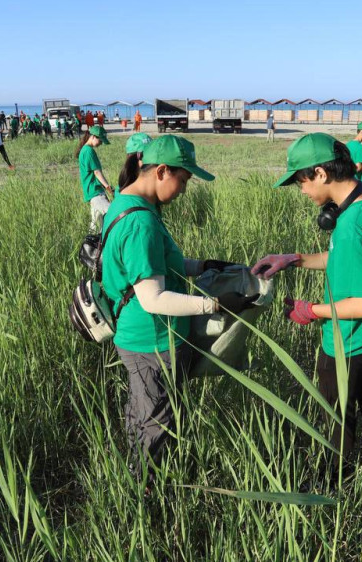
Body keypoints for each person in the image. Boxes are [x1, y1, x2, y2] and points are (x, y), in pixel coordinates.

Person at [101, 134, 247, 476]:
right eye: (183, 180)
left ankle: (137, 474)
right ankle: (146, 491)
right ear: (162, 171)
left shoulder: (127, 204)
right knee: (159, 423)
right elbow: (153, 298)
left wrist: (201, 267)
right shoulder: (141, 223)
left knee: (143, 408)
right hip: (152, 341)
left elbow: (155, 267)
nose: (183, 190)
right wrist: (214, 305)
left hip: (139, 338)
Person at [252, 132, 362, 464]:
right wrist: (293, 259)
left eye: (301, 181)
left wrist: (311, 310)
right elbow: (345, 259)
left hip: (346, 340)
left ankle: (337, 477)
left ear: (321, 173)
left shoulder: (351, 226)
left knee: (336, 415)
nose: (302, 190)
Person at [77, 125, 114, 230]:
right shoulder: (88, 151)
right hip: (95, 192)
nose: (101, 143)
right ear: (93, 136)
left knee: (96, 226)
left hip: (92, 192)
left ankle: (94, 245)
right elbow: (97, 172)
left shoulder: (85, 150)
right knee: (113, 213)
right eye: (100, 140)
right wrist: (108, 187)